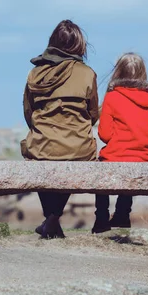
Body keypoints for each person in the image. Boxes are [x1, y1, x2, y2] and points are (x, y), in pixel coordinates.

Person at [21, 19, 99, 239]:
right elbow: (93, 113)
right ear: (78, 45)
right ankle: (52, 221)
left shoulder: (34, 74)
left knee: (41, 153)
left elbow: (29, 112)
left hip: (42, 145)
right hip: (78, 147)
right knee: (70, 153)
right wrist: (75, 129)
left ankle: (51, 221)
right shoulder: (87, 73)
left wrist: (44, 130)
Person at [92, 52, 148, 234]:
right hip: (144, 157)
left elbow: (105, 135)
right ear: (142, 72)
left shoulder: (113, 96)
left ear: (118, 72)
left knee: (102, 170)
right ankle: (123, 214)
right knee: (132, 161)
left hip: (117, 155)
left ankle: (101, 219)